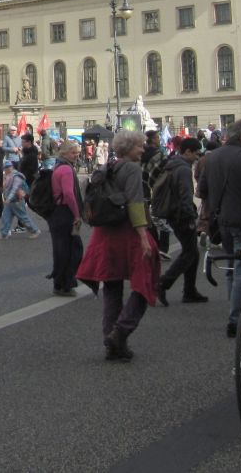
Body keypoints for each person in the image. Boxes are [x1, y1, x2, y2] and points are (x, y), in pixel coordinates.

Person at [76, 130, 159, 361]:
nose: (143, 149)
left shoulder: (106, 167)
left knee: (112, 287)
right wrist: (143, 236)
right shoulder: (132, 169)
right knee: (144, 283)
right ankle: (121, 331)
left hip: (105, 234)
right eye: (139, 146)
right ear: (129, 148)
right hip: (127, 232)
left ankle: (111, 340)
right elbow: (135, 203)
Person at [196, 119, 241, 337]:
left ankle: (234, 313)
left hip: (221, 219)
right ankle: (237, 318)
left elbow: (202, 190)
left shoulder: (211, 157)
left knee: (231, 270)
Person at [155, 136, 208, 305]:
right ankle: (164, 282)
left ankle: (189, 290)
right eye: (196, 154)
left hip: (173, 212)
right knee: (190, 252)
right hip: (181, 214)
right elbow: (185, 195)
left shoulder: (172, 164)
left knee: (192, 252)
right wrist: (190, 216)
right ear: (187, 152)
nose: (197, 157)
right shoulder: (183, 169)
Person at [48, 140, 84, 296]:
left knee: (61, 249)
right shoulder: (67, 170)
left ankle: (60, 283)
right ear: (64, 153)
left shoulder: (57, 167)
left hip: (56, 212)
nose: (76, 155)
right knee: (72, 249)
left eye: (77, 152)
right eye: (73, 152)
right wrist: (77, 215)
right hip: (65, 212)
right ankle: (65, 284)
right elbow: (69, 194)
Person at [0, 162, 39, 239]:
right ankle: (3, 233)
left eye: (6, 168)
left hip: (16, 201)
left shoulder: (16, 177)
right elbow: (6, 188)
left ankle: (35, 230)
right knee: (5, 217)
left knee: (23, 218)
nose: (5, 170)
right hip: (11, 201)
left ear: (10, 168)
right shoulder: (9, 175)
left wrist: (8, 199)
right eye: (5, 168)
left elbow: (14, 189)